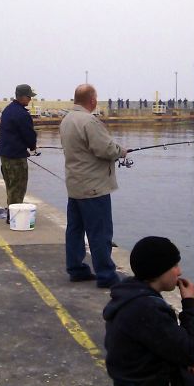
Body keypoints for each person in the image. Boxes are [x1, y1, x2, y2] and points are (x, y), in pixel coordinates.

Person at [104, 236, 194, 386]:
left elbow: (159, 343)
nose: (179, 272)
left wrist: (182, 360)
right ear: (158, 270)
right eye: (174, 265)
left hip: (141, 377)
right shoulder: (147, 309)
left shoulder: (131, 296)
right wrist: (189, 304)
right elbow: (191, 351)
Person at [59, 84, 126, 288]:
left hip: (75, 185)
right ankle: (106, 276)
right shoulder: (89, 121)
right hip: (94, 187)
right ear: (92, 100)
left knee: (75, 230)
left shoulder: (67, 119)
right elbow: (105, 149)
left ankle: (76, 269)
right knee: (100, 233)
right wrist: (121, 151)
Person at [0, 84, 37, 223]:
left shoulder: (8, 110)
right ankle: (13, 218)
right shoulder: (22, 114)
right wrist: (32, 146)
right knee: (18, 187)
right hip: (16, 157)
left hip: (5, 155)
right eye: (29, 97)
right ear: (22, 97)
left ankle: (11, 211)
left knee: (10, 185)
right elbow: (29, 135)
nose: (30, 99)